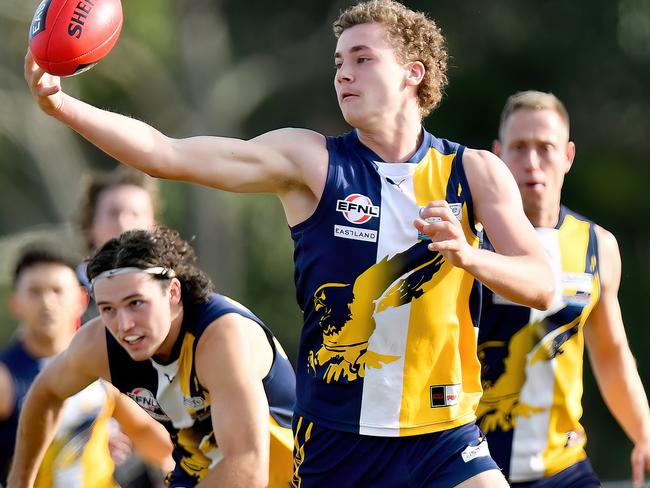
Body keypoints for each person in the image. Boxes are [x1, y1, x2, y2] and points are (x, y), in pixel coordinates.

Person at [24, 1, 556, 486]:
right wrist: (64, 108)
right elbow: (168, 153)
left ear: (413, 73)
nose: (344, 73)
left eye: (363, 59)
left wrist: (469, 254)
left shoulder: (475, 172)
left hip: (444, 435)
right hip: (337, 440)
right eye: (338, 62)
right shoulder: (312, 162)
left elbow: (540, 284)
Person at [7, 227, 296, 488]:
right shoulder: (101, 344)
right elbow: (45, 393)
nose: (124, 325)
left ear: (172, 292)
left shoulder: (219, 338)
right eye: (108, 308)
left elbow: (247, 469)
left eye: (136, 303)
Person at [476, 90, 650, 487]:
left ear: (568, 156)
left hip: (563, 468)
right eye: (519, 148)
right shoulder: (470, 242)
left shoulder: (597, 246)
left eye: (546, 147)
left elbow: (611, 353)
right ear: (498, 154)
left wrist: (644, 432)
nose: (532, 162)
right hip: (473, 467)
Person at [0, 242, 173, 487]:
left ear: (81, 299)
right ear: (16, 303)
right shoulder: (5, 378)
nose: (47, 302)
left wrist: (181, 469)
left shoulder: (99, 363)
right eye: (35, 292)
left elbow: (147, 435)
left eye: (57, 290)